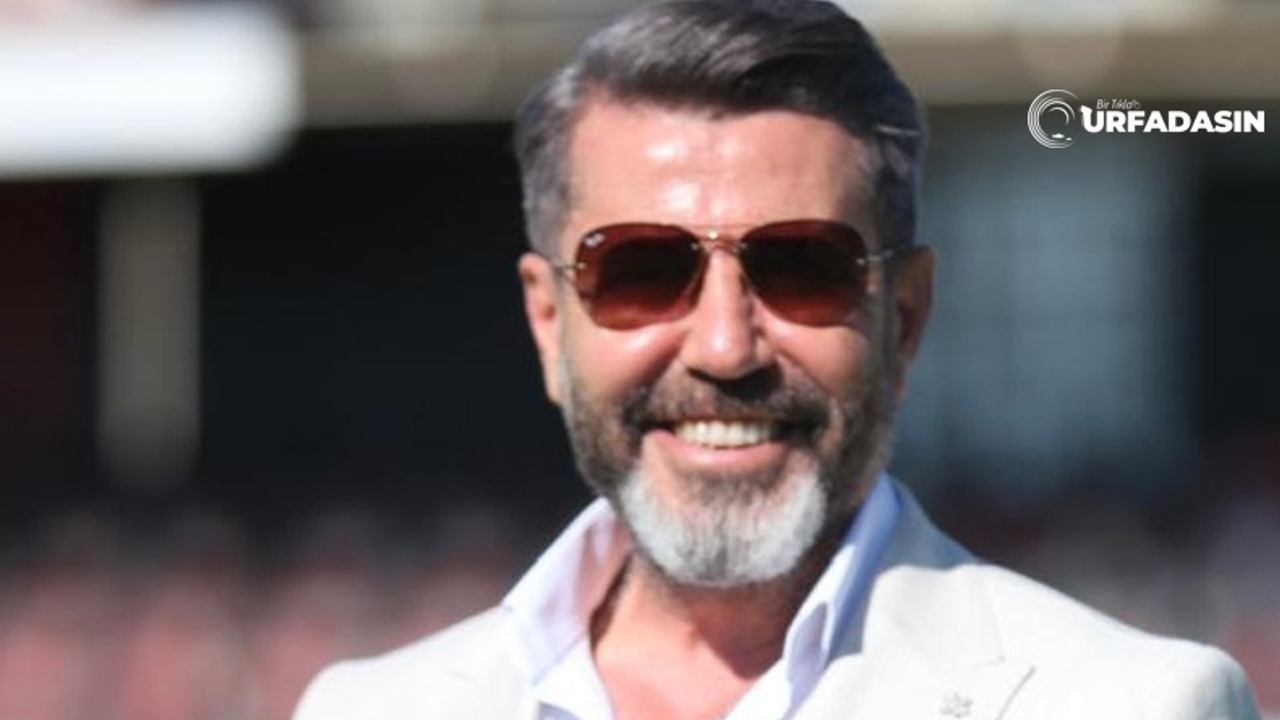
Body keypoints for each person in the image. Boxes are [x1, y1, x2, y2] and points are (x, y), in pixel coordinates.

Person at [293, 1, 1262, 718]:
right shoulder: (365, 710)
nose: (723, 346)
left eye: (802, 267)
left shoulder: (1135, 705)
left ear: (904, 319)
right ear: (549, 324)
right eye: (641, 269)